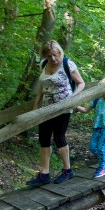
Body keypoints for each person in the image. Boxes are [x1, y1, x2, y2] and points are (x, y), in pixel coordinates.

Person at [27, 40, 85, 186]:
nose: (53, 58)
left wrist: (73, 98)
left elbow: (81, 83)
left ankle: (68, 170)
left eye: (55, 55)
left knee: (59, 137)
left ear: (59, 52)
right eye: (49, 56)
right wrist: (35, 105)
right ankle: (44, 174)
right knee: (44, 138)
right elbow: (42, 87)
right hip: (46, 108)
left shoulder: (68, 64)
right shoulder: (43, 65)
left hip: (63, 107)